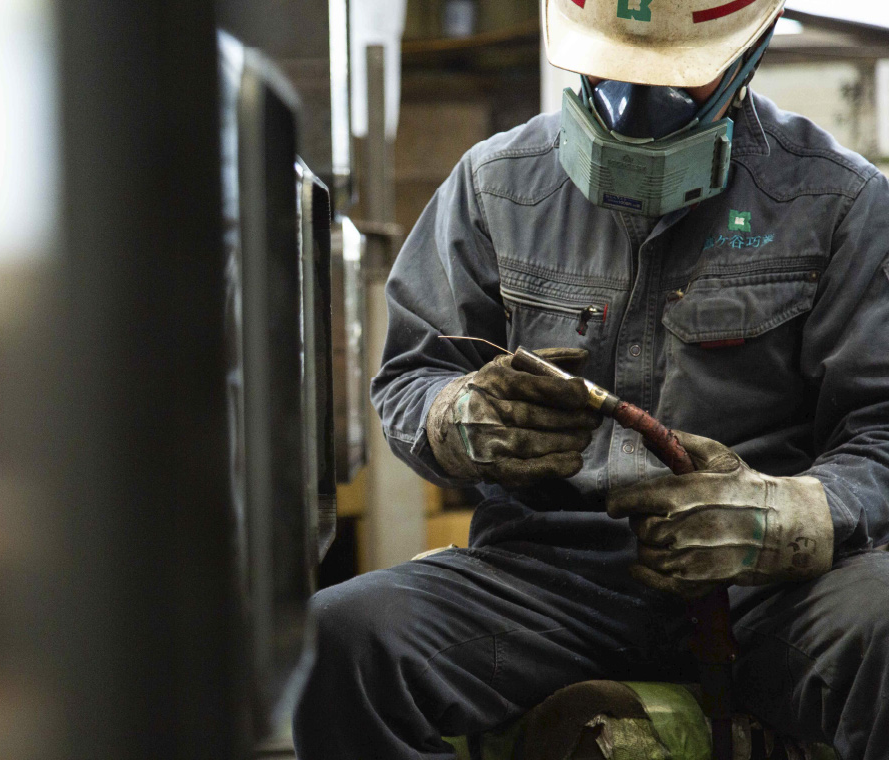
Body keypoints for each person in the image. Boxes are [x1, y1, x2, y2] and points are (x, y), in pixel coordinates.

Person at [293, 1, 889, 758]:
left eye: (675, 79)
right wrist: (460, 417)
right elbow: (413, 376)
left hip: (769, 596)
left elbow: (879, 429)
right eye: (610, 70)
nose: (634, 104)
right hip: (547, 586)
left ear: (749, 51)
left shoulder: (840, 203)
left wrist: (795, 514)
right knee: (338, 641)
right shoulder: (497, 186)